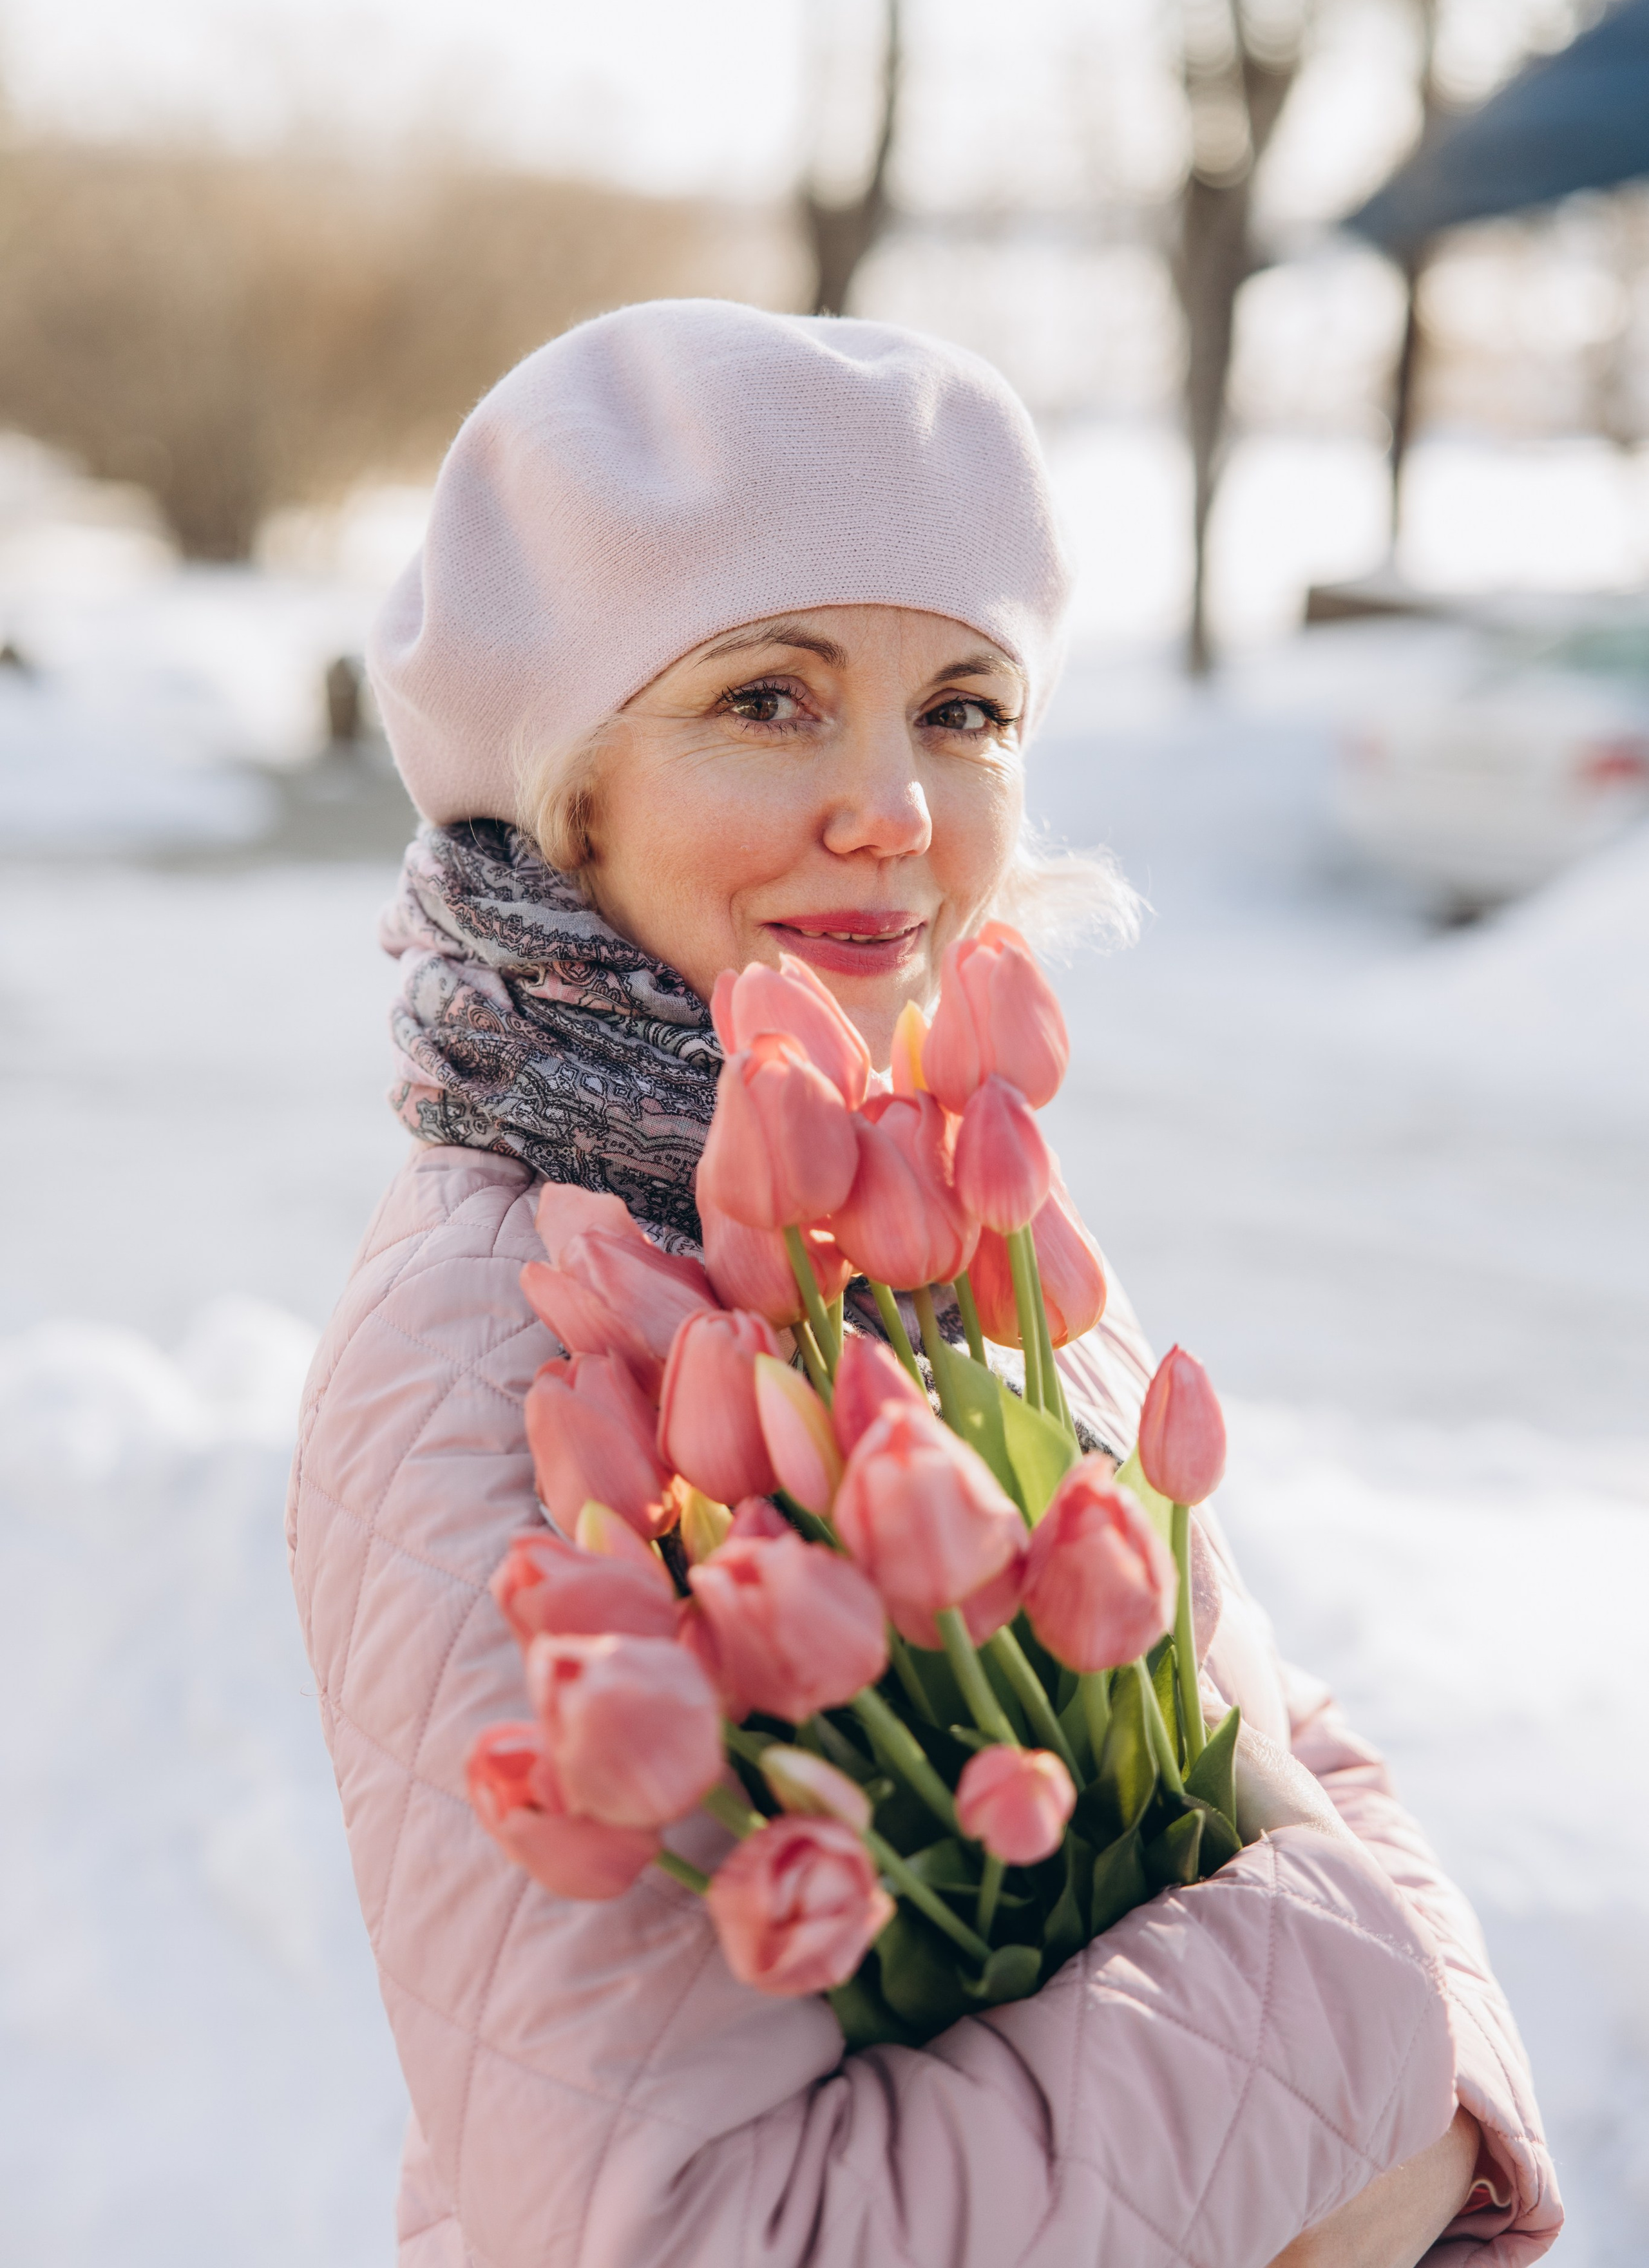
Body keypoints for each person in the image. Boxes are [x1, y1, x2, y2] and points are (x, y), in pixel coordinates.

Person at [288, 301, 1559, 2268]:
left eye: (964, 709)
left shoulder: (942, 1197)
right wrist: (1367, 2032)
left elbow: (1259, 1724)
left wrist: (1402, 2074)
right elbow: (694, 2234)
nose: (892, 804)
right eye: (770, 700)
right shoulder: (486, 1336)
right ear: (569, 781)